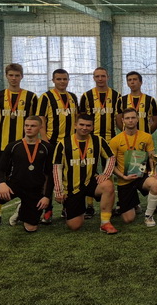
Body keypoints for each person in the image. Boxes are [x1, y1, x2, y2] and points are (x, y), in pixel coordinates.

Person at [0, 117, 53, 248]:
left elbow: (50, 174)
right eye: (26, 125)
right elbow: (0, 169)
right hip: (13, 186)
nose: (29, 128)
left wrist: (46, 196)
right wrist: (2, 184)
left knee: (31, 228)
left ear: (40, 128)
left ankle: (22, 210)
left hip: (34, 191)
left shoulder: (47, 147)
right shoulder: (13, 146)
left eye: (33, 126)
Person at [0, 63, 38, 227]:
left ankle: (23, 208)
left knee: (25, 177)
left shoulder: (31, 97)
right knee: (0, 178)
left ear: (22, 76)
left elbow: (34, 120)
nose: (14, 78)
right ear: (6, 76)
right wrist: (2, 133)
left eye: (17, 75)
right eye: (11, 75)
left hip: (24, 147)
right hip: (1, 146)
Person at [52, 113, 118, 234]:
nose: (84, 128)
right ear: (75, 125)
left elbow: (111, 157)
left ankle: (105, 222)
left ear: (92, 127)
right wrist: (58, 190)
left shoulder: (98, 140)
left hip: (90, 181)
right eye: (81, 124)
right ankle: (70, 208)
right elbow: (57, 167)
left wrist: (106, 174)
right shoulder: (63, 143)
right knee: (75, 225)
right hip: (72, 187)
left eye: (88, 125)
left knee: (108, 185)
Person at [37, 68, 79, 224]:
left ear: (68, 80)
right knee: (49, 176)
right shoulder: (46, 97)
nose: (62, 81)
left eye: (65, 79)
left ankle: (67, 208)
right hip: (52, 142)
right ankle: (47, 210)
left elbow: (76, 118)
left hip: (70, 143)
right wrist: (45, 140)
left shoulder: (72, 97)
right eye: (59, 79)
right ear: (53, 80)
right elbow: (41, 118)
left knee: (69, 175)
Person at [79, 67, 122, 218]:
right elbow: (82, 118)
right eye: (97, 76)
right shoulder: (86, 96)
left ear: (108, 77)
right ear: (94, 78)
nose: (100, 79)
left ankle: (111, 204)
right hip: (91, 140)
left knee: (109, 172)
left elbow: (119, 118)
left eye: (103, 76)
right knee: (88, 172)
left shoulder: (117, 96)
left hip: (110, 139)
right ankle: (89, 206)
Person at [109, 108, 157, 227]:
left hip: (141, 175)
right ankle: (134, 204)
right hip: (125, 179)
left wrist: (154, 171)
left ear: (137, 119)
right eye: (127, 118)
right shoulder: (115, 140)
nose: (130, 120)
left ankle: (148, 216)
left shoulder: (147, 137)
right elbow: (111, 165)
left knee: (155, 184)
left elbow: (152, 157)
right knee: (128, 219)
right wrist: (123, 176)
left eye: (133, 117)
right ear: (123, 120)